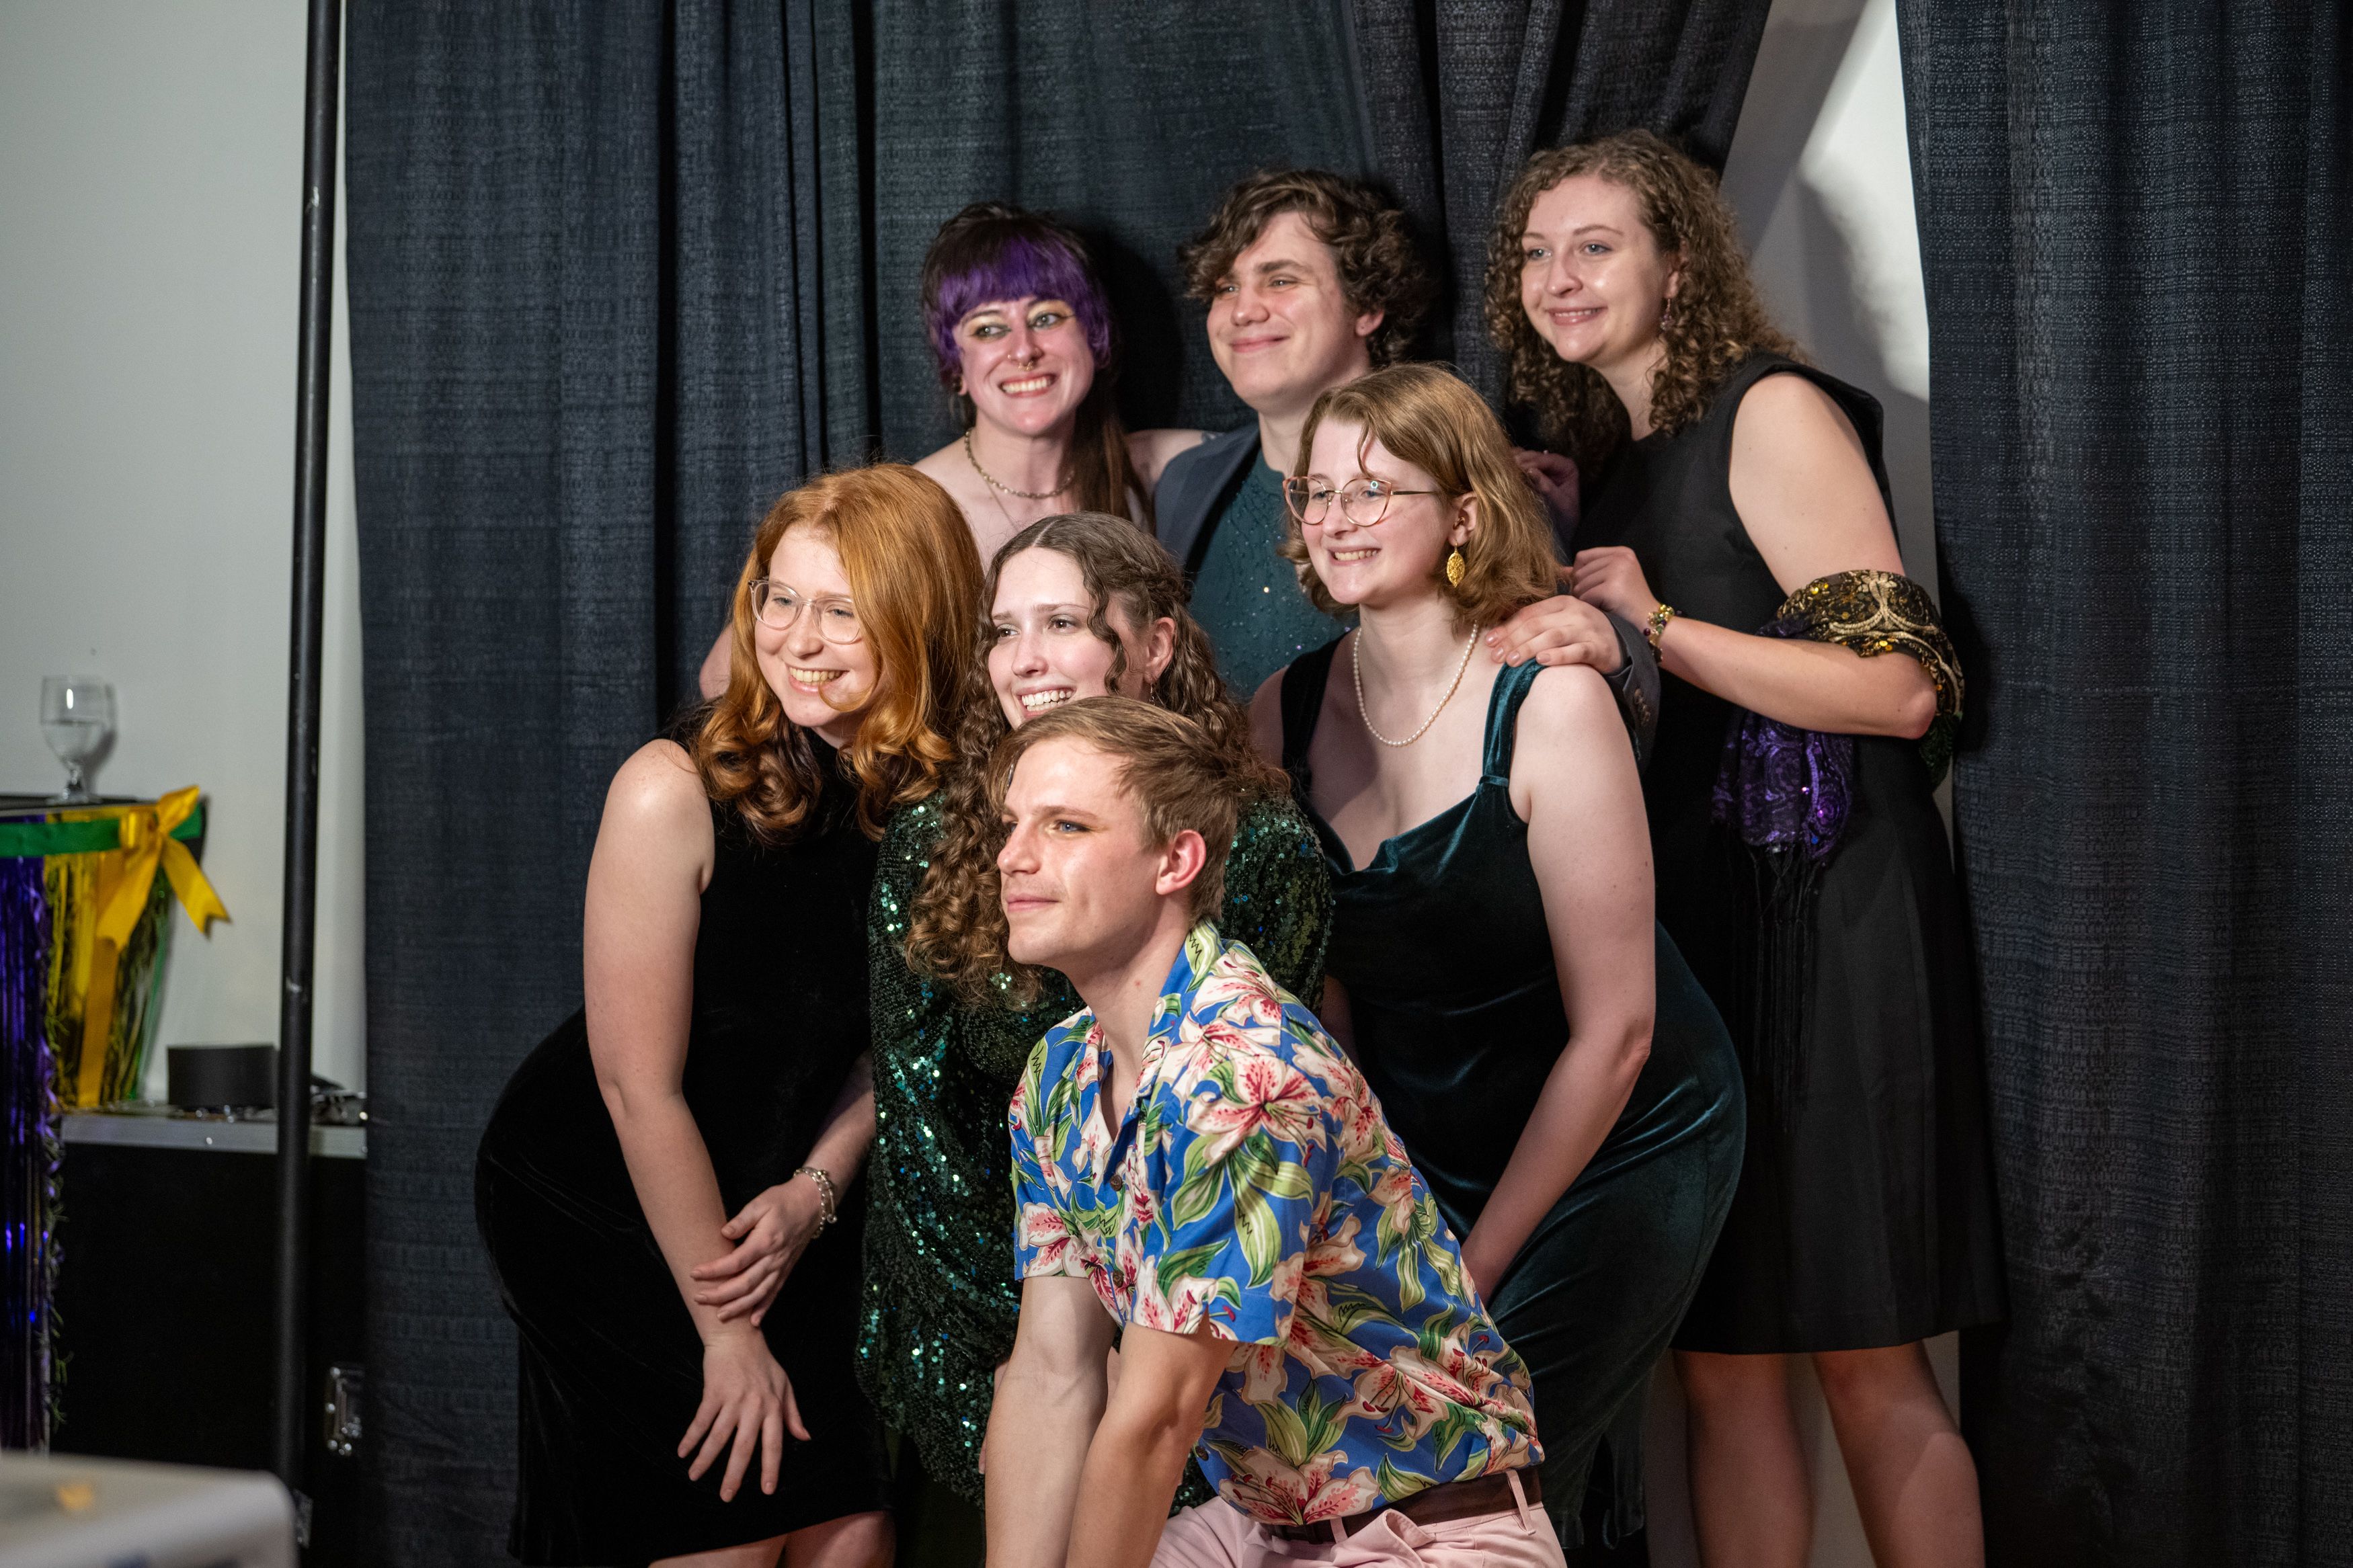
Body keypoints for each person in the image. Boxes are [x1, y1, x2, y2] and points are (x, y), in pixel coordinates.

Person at [1488, 129, 2002, 1568]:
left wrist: (1652, 623)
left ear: (1675, 258)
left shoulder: (1769, 410)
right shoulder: (1617, 456)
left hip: (1832, 922)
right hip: (1703, 925)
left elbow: (1901, 689)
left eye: (1594, 245)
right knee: (1714, 1357)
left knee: (1866, 1354)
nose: (1557, 277)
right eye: (1534, 253)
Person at [1252, 362, 1745, 1549]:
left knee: (1487, 1469)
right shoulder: (1280, 707)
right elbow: (1318, 983)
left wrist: (1467, 1268)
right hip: (1422, 1150)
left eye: (1376, 489)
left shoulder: (1550, 699)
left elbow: (1618, 1031)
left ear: (1466, 510)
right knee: (1373, 1475)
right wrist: (1386, 1224)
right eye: (1319, 493)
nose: (1336, 518)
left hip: (1619, 1135)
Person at [476, 465, 985, 1568]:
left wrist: (817, 1191)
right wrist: (726, 1334)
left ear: (917, 616)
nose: (799, 638)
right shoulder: (673, 787)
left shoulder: (940, 805)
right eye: (780, 598)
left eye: (841, 608)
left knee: (852, 1533)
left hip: (787, 1189)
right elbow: (633, 1085)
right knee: (735, 1527)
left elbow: (891, 1048)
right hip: (609, 1193)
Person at [982, 696, 1563, 1567]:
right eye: (1012, 823)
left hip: (1431, 1531)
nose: (1012, 857)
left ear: (1175, 860)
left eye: (1065, 826)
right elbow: (1049, 1376)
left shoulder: (1244, 1078)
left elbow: (1154, 1420)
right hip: (1262, 1522)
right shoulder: (1061, 1075)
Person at [859, 515, 1330, 1540]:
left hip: (1242, 1405)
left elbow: (1167, 1383)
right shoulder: (1066, 1071)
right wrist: (1024, 1378)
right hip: (1008, 1318)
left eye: (1063, 622)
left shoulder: (1234, 1056)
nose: (1023, 661)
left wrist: (1081, 1375)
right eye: (1003, 630)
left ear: (1153, 647)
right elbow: (930, 1141)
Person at [1158, 167, 1659, 757]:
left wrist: (1623, 651)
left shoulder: (1481, 479)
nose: (1243, 310)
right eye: (1225, 288)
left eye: (1280, 280)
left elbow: (1576, 669)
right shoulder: (1186, 482)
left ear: (1366, 306)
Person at [700, 202, 1193, 699]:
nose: (1023, 349)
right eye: (988, 329)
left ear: (1095, 335)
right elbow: (721, 677)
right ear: (954, 363)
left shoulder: (1165, 471)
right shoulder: (907, 509)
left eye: (1047, 317)